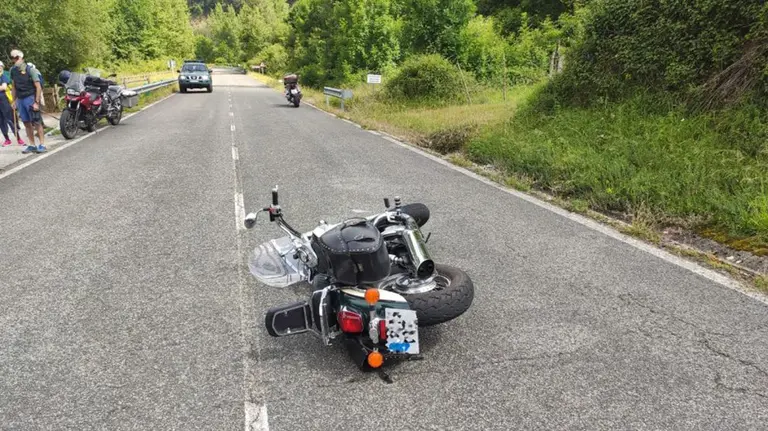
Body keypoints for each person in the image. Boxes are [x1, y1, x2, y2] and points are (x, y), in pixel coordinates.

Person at [9, 49, 45, 153]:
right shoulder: (12, 70)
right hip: (20, 99)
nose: (14, 60)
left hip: (30, 97)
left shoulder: (30, 70)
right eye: (13, 58)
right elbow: (14, 87)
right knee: (26, 123)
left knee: (37, 122)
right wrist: (13, 100)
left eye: (16, 58)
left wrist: (36, 102)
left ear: (21, 58)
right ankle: (32, 145)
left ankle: (42, 144)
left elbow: (38, 87)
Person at [0, 60, 24, 146]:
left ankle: (18, 138)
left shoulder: (3, 76)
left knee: (10, 120)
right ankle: (7, 139)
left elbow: (3, 87)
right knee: (1, 122)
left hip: (4, 100)